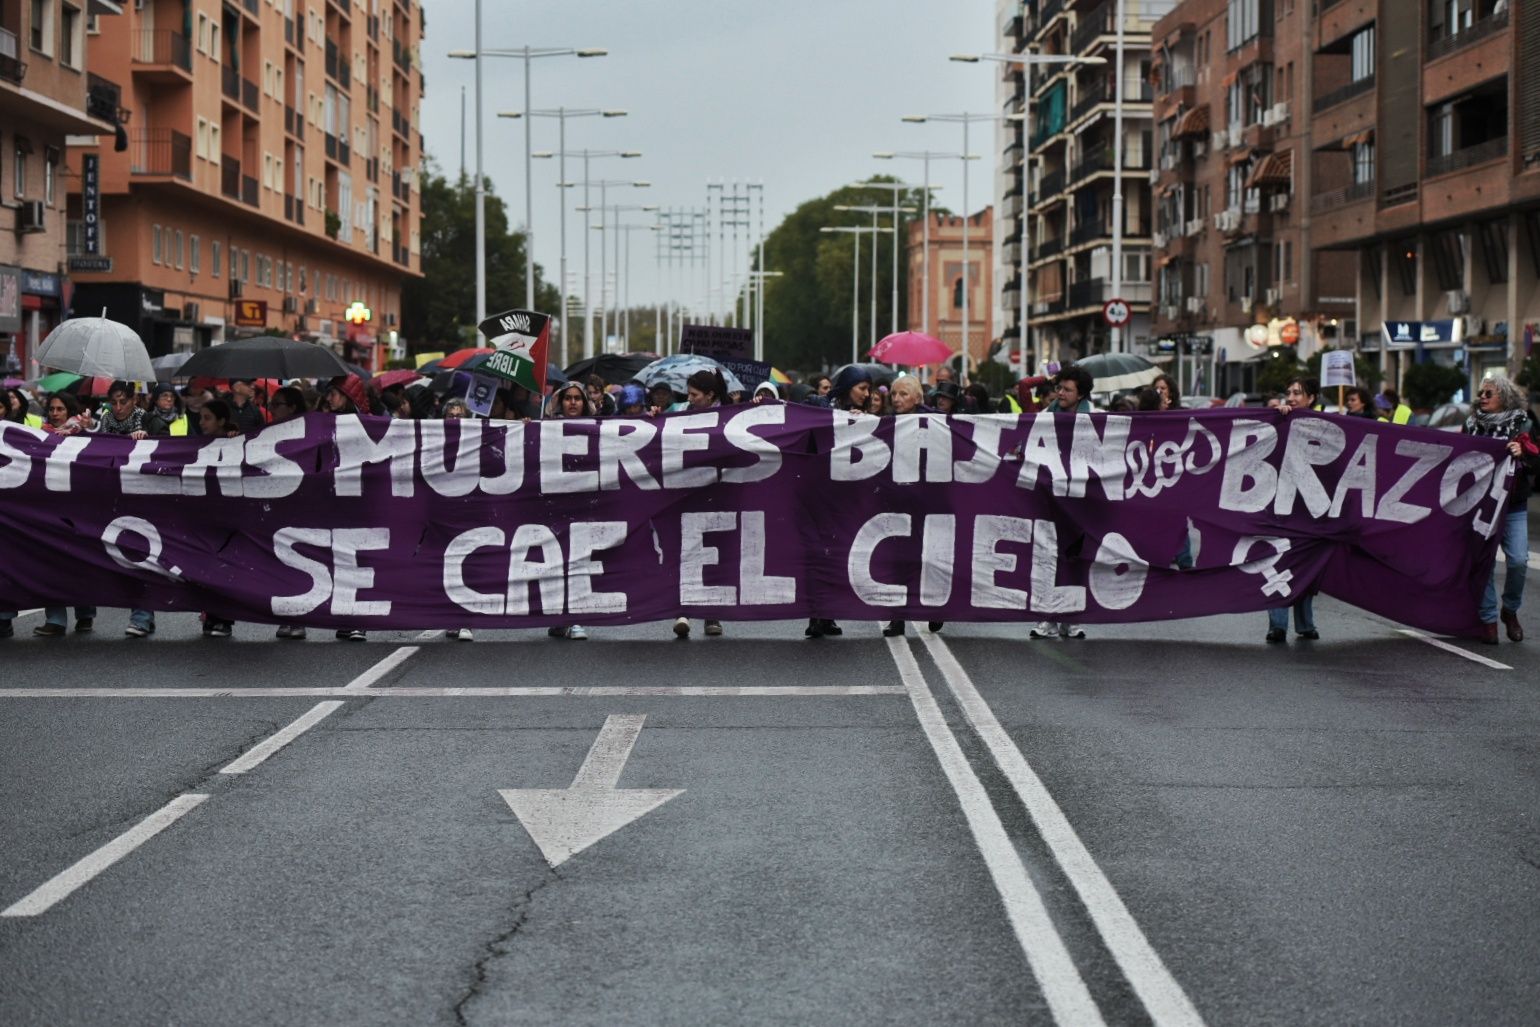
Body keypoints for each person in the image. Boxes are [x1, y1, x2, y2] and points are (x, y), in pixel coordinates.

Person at [1464, 374, 1537, 644]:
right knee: (1483, 563)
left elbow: (1537, 462)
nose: (1481, 398)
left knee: (1518, 560)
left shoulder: (1525, 423)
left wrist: (1524, 453)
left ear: (1503, 397)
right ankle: (1488, 620)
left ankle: (1510, 610)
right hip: (1479, 505)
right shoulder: (1471, 424)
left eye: (1488, 394)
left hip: (1513, 504)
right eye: (1481, 393)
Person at [1031, 364, 1097, 641]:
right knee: (1048, 558)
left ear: (1081, 395)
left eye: (1067, 390)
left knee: (1076, 560)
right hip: (1052, 499)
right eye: (1059, 388)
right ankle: (1048, 618)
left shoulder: (1097, 418)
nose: (1060, 393)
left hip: (1081, 500)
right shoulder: (1047, 415)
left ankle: (1071, 620)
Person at [883, 375, 944, 639]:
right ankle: (897, 618)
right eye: (894, 394)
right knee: (899, 560)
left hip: (929, 502)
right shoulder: (888, 422)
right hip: (898, 501)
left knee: (929, 558)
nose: (896, 399)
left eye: (903, 394)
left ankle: (936, 608)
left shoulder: (936, 422)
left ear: (918, 398)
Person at [673, 370, 730, 639]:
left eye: (695, 395)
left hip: (719, 495)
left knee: (713, 553)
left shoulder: (732, 415)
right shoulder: (679, 413)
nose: (689, 399)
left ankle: (711, 614)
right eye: (689, 394)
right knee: (684, 552)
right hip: (686, 492)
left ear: (710, 396)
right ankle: (681, 610)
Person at [1265, 376, 1322, 643]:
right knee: (1279, 561)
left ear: (1311, 398)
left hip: (1311, 505)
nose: (1291, 397)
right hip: (1282, 503)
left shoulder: (1329, 424)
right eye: (1289, 392)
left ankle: (1305, 623)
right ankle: (1277, 625)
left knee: (1307, 566)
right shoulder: (1282, 418)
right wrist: (1279, 419)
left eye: (1297, 393)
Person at [544, 382, 595, 641]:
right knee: (556, 562)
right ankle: (558, 618)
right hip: (556, 504)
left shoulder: (599, 429)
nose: (573, 402)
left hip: (584, 504)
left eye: (578, 398)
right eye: (568, 398)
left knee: (578, 561)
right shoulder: (546, 428)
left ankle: (576, 619)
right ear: (560, 402)